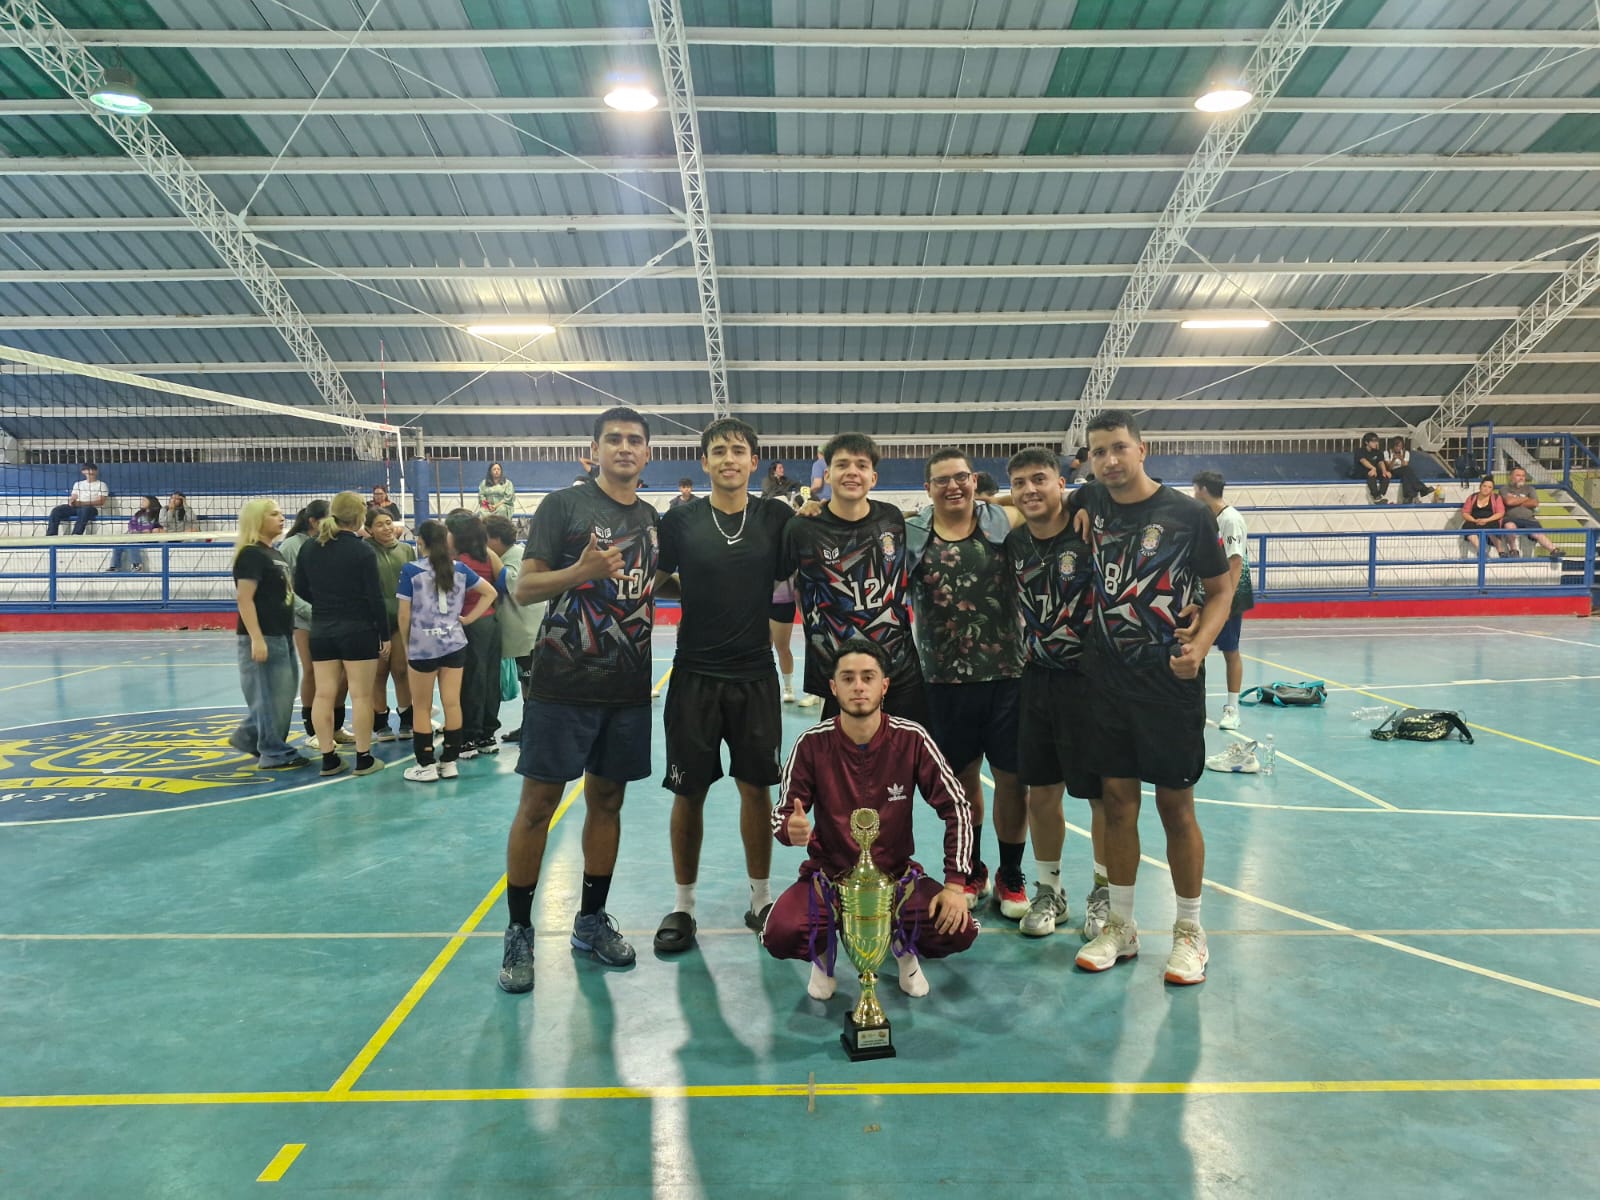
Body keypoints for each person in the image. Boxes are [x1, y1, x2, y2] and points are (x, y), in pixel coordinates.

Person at [498, 406, 659, 993]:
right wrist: (581, 569)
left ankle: (590, 921)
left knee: (607, 803)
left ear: (647, 454)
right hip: (562, 686)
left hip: (626, 690)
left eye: (634, 440)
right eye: (612, 439)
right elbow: (525, 585)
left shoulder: (651, 518)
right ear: (592, 450)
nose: (623, 447)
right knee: (538, 806)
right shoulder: (562, 507)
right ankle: (518, 931)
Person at [1074, 410, 1232, 986]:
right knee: (1116, 804)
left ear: (1143, 449)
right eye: (1099, 452)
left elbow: (1220, 591)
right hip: (1105, 683)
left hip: (1168, 681)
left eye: (1119, 447)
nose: (1110, 460)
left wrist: (1202, 646)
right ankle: (1121, 925)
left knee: (1174, 807)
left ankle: (1190, 931)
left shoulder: (1189, 515)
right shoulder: (1089, 499)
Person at [651, 417, 797, 955]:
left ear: (754, 461)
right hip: (694, 673)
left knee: (755, 788)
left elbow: (795, 581)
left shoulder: (776, 518)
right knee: (687, 791)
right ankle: (683, 906)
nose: (729, 459)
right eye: (719, 451)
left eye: (739, 450)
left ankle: (761, 899)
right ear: (705, 462)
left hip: (755, 673)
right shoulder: (681, 521)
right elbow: (654, 578)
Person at [763, 639, 977, 1001]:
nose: (858, 686)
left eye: (868, 677)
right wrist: (790, 828)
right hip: (830, 878)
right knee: (780, 932)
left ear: (884, 685)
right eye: (848, 678)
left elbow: (957, 807)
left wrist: (956, 885)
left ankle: (901, 943)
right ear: (833, 688)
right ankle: (824, 953)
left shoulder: (912, 739)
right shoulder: (811, 744)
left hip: (896, 878)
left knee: (958, 928)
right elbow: (782, 815)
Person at [906, 449, 1027, 915]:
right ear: (928, 488)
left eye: (961, 478)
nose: (953, 487)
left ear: (975, 481)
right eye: (942, 480)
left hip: (1009, 674)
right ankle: (971, 868)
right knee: (962, 781)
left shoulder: (1002, 520)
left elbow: (1057, 505)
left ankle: (1011, 874)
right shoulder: (913, 532)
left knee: (1013, 781)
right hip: (942, 679)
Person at [1003, 448, 1106, 938]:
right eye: (1020, 483)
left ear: (1060, 482)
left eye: (1039, 479)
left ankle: (1104, 892)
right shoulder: (1014, 541)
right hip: (1037, 679)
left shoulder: (1091, 528)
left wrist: (1091, 495)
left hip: (1091, 681)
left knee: (1100, 796)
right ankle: (1050, 891)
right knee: (1041, 794)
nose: (1029, 490)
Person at [781, 432, 927, 723]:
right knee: (843, 767)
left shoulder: (892, 518)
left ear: (873, 478)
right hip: (839, 677)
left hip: (900, 671)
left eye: (861, 465)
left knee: (907, 764)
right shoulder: (801, 529)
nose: (852, 472)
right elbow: (777, 584)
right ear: (828, 474)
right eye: (842, 464)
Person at [293, 491, 390, 778]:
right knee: (360, 695)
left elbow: (300, 589)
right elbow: (375, 597)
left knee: (323, 694)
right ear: (360, 517)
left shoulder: (310, 547)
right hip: (358, 630)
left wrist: (325, 601)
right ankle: (363, 758)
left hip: (322, 629)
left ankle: (328, 758)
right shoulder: (362, 551)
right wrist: (384, 634)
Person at [396, 520, 497, 783]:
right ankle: (449, 762)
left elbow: (404, 614)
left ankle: (426, 765)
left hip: (423, 646)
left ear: (421, 542)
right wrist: (467, 619)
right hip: (453, 642)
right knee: (452, 702)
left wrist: (407, 645)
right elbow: (490, 593)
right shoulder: (460, 569)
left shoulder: (411, 571)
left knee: (421, 706)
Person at [230, 499, 310, 771]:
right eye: (274, 514)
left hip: (282, 634)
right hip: (264, 635)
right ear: (258, 520)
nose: (281, 517)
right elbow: (244, 599)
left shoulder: (273, 554)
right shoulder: (251, 555)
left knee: (282, 695)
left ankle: (249, 737)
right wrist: (257, 638)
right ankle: (273, 752)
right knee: (268, 696)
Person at [283, 500, 351, 745]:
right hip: (306, 619)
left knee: (342, 673)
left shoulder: (333, 542)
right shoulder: (292, 546)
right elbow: (288, 589)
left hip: (334, 618)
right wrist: (311, 611)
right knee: (312, 670)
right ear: (313, 521)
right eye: (328, 517)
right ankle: (313, 731)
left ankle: (336, 726)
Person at [1192, 471, 1254, 734]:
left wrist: (1226, 601)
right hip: (1207, 593)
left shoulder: (1230, 519)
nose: (1193, 494)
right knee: (1197, 647)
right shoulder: (1207, 518)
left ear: (1203, 489)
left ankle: (1232, 709)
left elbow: (1235, 562)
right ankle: (1193, 704)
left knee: (1230, 651)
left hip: (1230, 594)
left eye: (1195, 489)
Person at [446, 509, 503, 756]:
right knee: (489, 678)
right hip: (490, 623)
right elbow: (502, 586)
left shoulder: (457, 562)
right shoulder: (490, 556)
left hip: (467, 624)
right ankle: (486, 734)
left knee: (470, 679)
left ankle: (468, 735)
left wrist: (468, 616)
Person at [484, 514, 543, 744]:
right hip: (520, 633)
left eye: (486, 540)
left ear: (496, 539)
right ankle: (529, 727)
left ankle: (535, 729)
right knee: (527, 683)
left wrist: (488, 555)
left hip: (528, 633)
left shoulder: (516, 556)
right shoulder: (509, 554)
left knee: (532, 684)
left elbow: (510, 584)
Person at [366, 507, 417, 741]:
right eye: (379, 524)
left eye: (388, 522)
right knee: (378, 672)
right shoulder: (365, 552)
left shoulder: (407, 550)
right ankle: (380, 722)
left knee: (401, 669)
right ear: (369, 530)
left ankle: (407, 718)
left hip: (401, 620)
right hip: (376, 622)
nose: (386, 528)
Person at [1500, 467, 1565, 558]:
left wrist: (1516, 500)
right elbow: (1509, 502)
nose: (1521, 478)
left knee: (1536, 532)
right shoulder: (1505, 489)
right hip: (1511, 519)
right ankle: (1513, 550)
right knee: (1509, 526)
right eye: (1518, 475)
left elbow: (1534, 502)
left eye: (1523, 476)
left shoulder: (1530, 489)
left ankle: (1553, 550)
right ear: (1511, 477)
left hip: (1528, 519)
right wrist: (1526, 499)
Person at [46, 463, 108, 535]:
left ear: (96, 471)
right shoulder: (78, 484)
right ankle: (51, 535)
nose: (91, 471)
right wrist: (71, 502)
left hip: (92, 508)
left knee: (85, 510)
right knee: (57, 510)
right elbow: (74, 496)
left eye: (93, 469)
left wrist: (82, 503)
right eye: (88, 469)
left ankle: (76, 534)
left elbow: (101, 501)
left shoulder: (102, 484)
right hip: (77, 507)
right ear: (83, 472)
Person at [108, 495, 162, 572]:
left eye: (144, 501)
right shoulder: (138, 514)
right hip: (137, 535)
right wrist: (136, 530)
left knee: (132, 543)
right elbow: (131, 524)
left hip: (149, 537)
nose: (142, 502)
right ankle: (114, 566)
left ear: (151, 502)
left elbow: (154, 527)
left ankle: (137, 565)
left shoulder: (157, 514)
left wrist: (143, 531)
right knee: (118, 542)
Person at [1460, 476, 1509, 556]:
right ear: (1480, 486)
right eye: (1484, 486)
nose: (1486, 489)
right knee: (1468, 526)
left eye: (1489, 487)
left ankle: (1501, 551)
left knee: (1492, 527)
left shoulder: (1497, 498)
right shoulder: (1472, 497)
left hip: (1490, 520)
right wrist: (1474, 520)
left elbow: (1500, 513)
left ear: (1492, 489)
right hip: (1475, 521)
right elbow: (1465, 513)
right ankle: (1481, 551)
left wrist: (1486, 520)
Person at [1386, 437, 1437, 504]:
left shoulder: (1405, 453)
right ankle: (1423, 489)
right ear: (1393, 446)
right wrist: (1393, 459)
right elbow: (1389, 468)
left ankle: (1408, 497)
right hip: (1393, 472)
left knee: (1406, 475)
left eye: (1400, 446)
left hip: (1403, 470)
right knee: (1407, 470)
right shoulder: (1387, 453)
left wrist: (1401, 459)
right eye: (1397, 446)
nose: (1399, 448)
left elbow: (1405, 465)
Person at [1355, 433, 1392, 504]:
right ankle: (1375, 495)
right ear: (1366, 442)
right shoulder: (1360, 451)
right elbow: (1363, 460)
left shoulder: (1377, 452)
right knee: (1371, 474)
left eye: (1376, 441)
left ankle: (1380, 495)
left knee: (1386, 475)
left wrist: (1384, 471)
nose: (1376, 443)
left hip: (1374, 471)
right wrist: (1373, 468)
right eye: (1373, 441)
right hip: (1362, 471)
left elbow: (1380, 462)